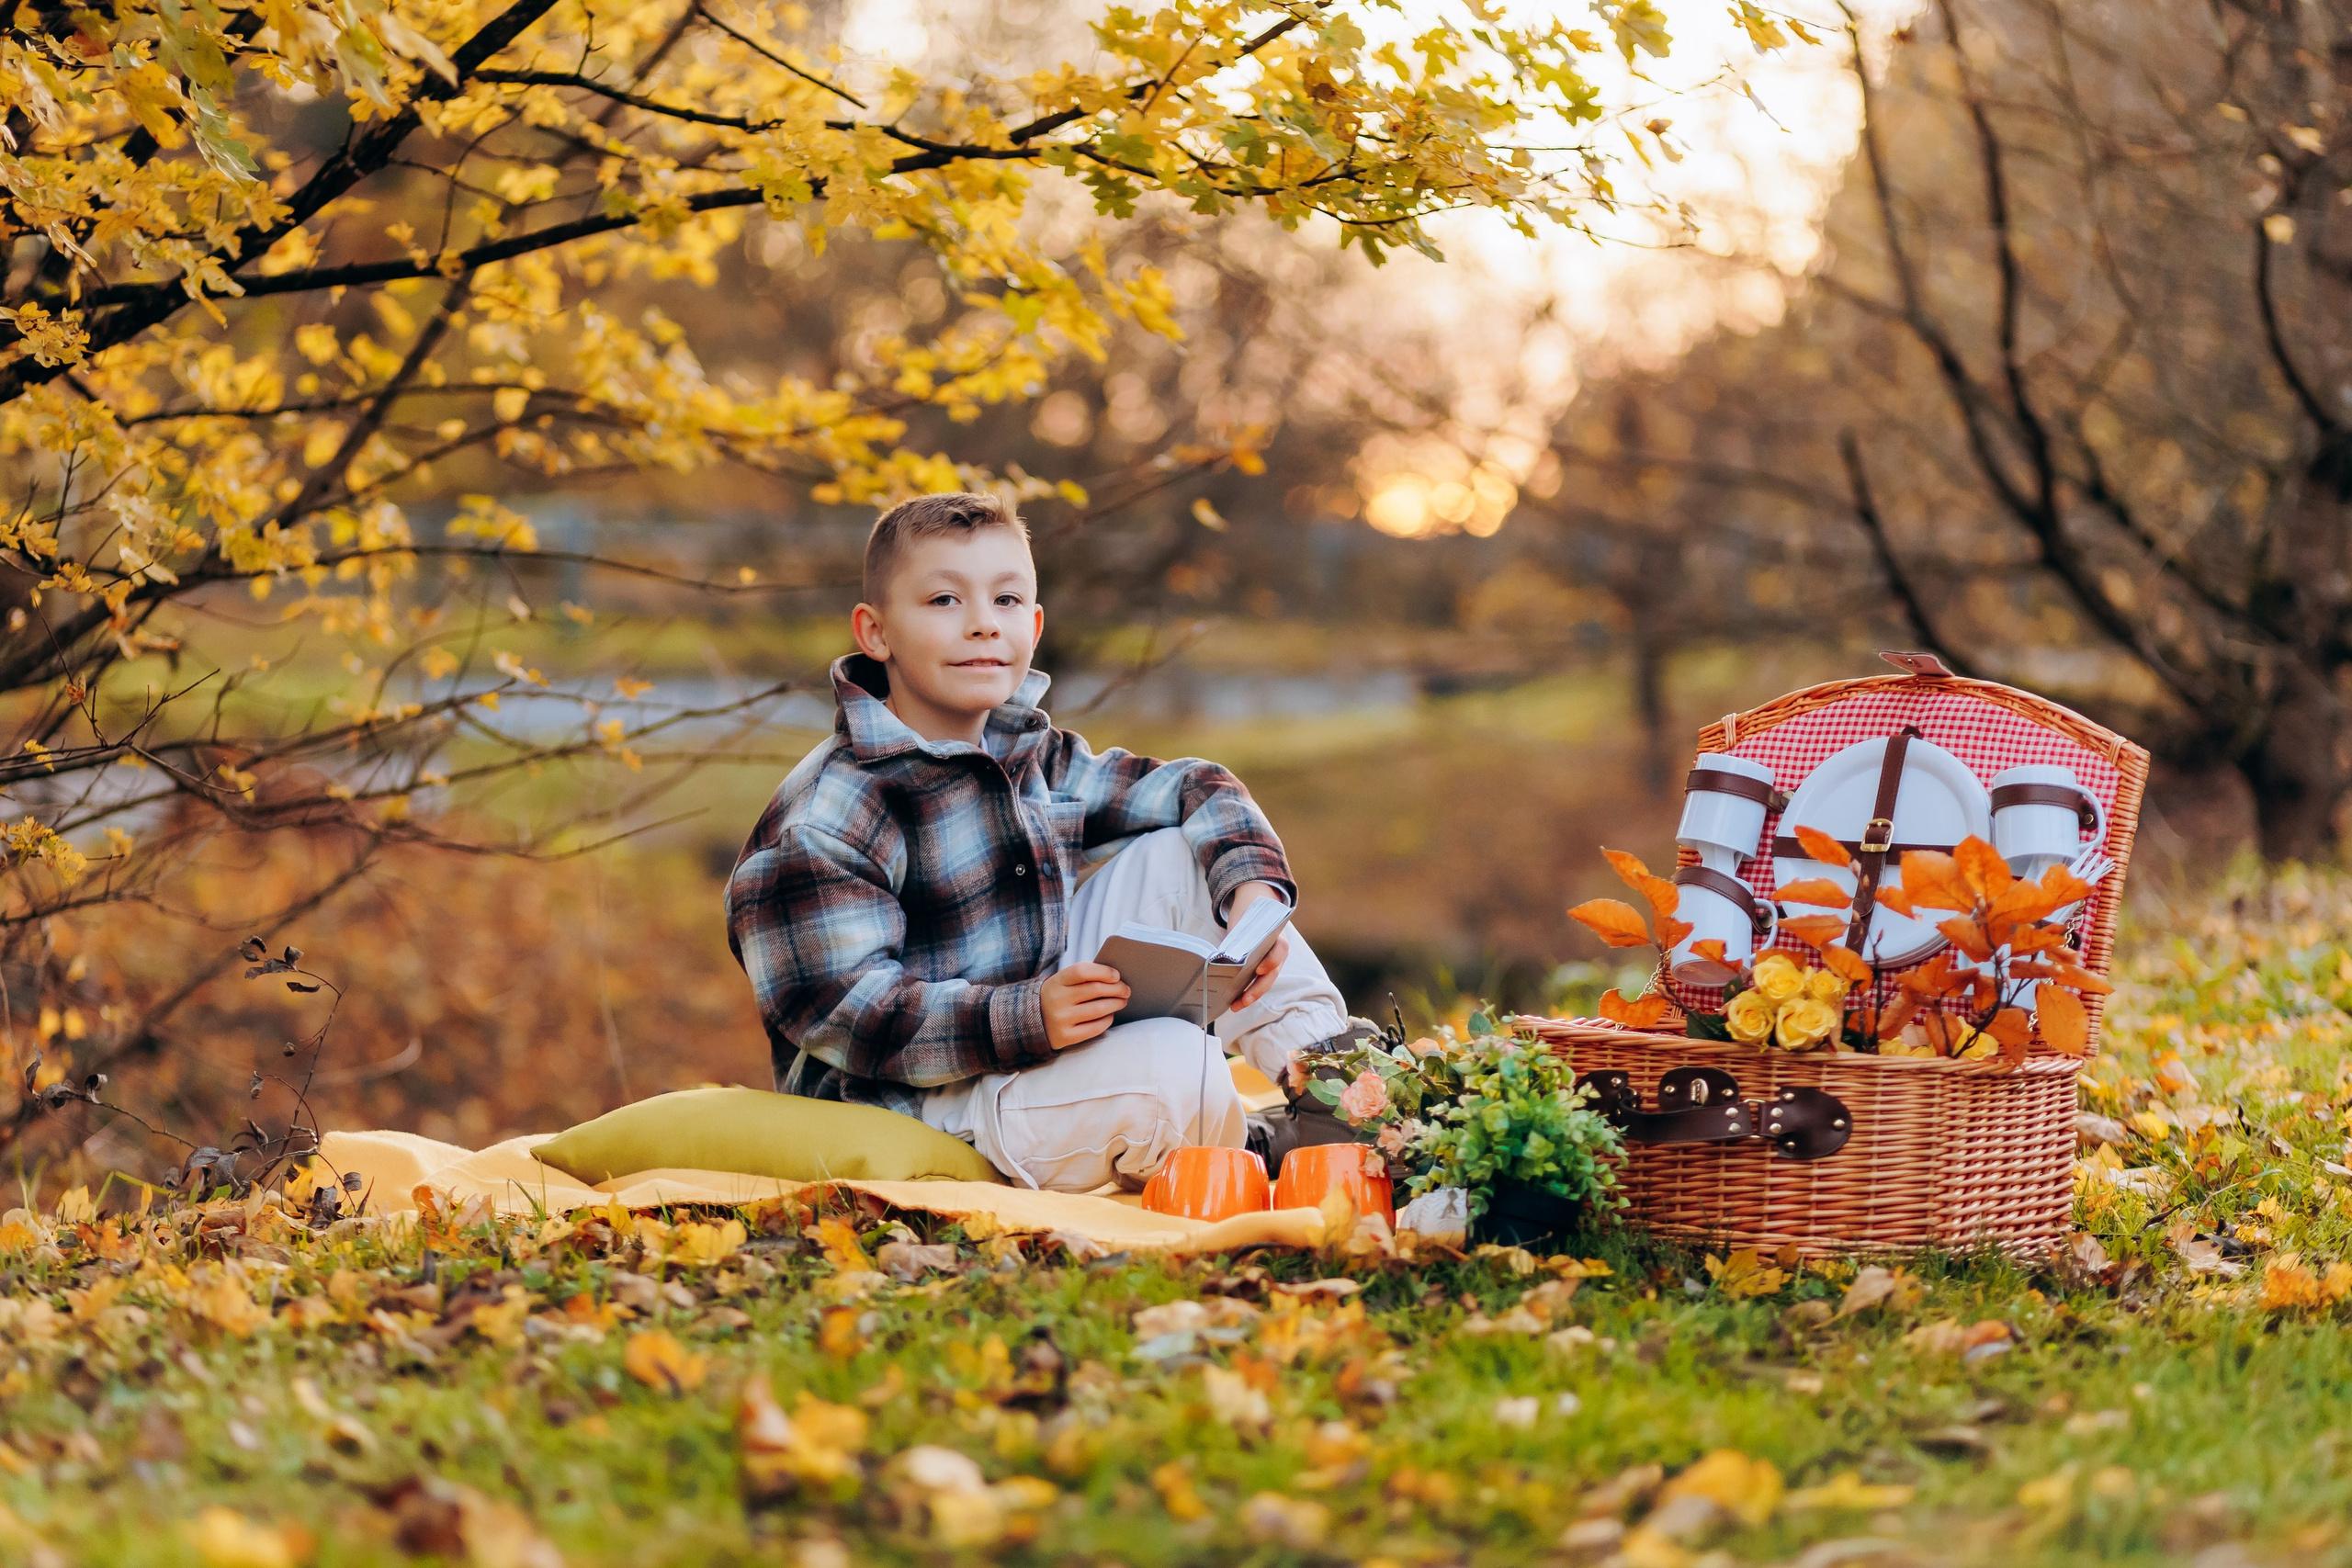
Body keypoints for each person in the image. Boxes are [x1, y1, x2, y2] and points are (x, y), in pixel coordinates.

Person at [725, 491, 1359, 1192]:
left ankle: (1352, 1101)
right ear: (876, 633)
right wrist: (1026, 1015)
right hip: (917, 1102)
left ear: (1033, 623)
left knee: (1195, 858)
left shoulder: (1023, 750)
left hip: (1035, 1034)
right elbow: (851, 1014)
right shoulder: (828, 816)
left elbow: (1196, 788)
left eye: (1004, 601)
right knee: (1182, 1066)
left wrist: (1253, 901)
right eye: (943, 601)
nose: (980, 626)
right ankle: (1256, 1150)